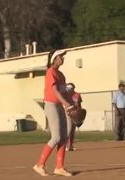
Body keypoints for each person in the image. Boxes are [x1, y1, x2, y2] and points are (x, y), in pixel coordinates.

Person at [33, 49, 73, 177]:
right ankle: (40, 165)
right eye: (61, 56)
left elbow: (64, 92)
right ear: (54, 59)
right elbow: (55, 91)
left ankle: (59, 167)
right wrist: (66, 103)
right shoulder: (51, 72)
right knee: (56, 137)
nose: (63, 58)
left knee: (63, 137)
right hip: (51, 105)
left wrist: (72, 103)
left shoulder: (61, 75)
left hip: (59, 106)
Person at [66, 83, 82, 151]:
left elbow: (79, 104)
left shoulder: (77, 95)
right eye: (69, 89)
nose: (71, 90)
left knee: (72, 130)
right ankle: (66, 145)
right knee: (68, 130)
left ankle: (71, 145)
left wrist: (80, 114)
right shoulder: (65, 95)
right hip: (67, 113)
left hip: (75, 113)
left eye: (72, 88)